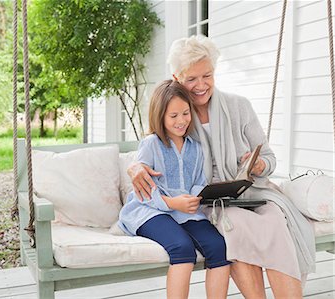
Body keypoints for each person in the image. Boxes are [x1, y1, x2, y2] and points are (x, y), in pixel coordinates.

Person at [128, 35, 316, 298]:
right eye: (191, 79)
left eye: (207, 75)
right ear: (176, 77)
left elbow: (270, 159)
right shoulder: (179, 114)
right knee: (235, 227)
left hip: (252, 192)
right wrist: (135, 166)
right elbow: (155, 148)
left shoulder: (239, 106)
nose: (200, 85)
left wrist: (259, 164)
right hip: (210, 202)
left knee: (276, 221)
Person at [118, 80, 231, 299]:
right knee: (182, 248)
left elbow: (199, 180)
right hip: (150, 211)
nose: (181, 121)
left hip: (185, 212)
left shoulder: (196, 148)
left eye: (186, 113)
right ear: (160, 116)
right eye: (173, 116)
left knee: (219, 246)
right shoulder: (151, 144)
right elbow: (144, 189)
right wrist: (171, 203)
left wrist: (197, 197)